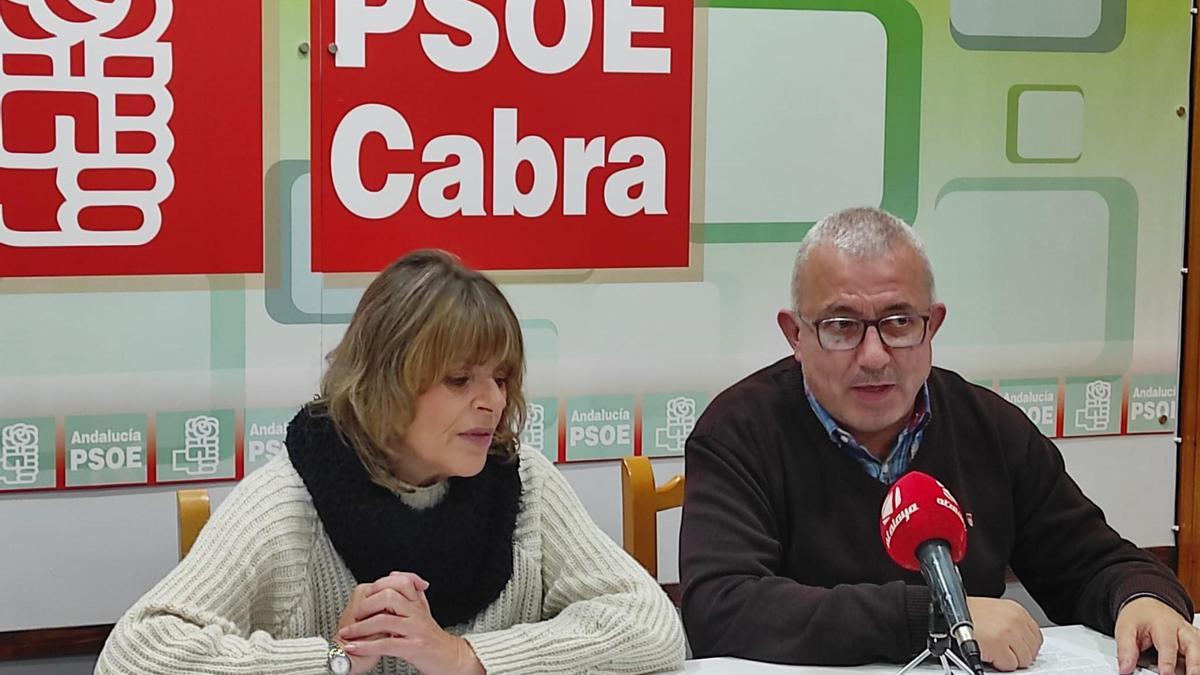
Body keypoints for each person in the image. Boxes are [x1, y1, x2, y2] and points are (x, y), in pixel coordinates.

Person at [98, 250, 685, 675]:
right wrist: (334, 661)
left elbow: (654, 628)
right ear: (386, 384)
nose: (493, 401)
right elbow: (134, 657)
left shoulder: (523, 480)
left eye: (501, 378)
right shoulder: (290, 501)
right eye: (460, 380)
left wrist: (465, 658)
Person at [679, 207, 1198, 675]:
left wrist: (1142, 598)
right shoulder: (737, 432)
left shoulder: (989, 427)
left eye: (900, 322)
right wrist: (944, 615)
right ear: (796, 335)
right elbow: (722, 608)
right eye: (842, 327)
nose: (876, 355)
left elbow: (1093, 564)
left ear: (934, 326)